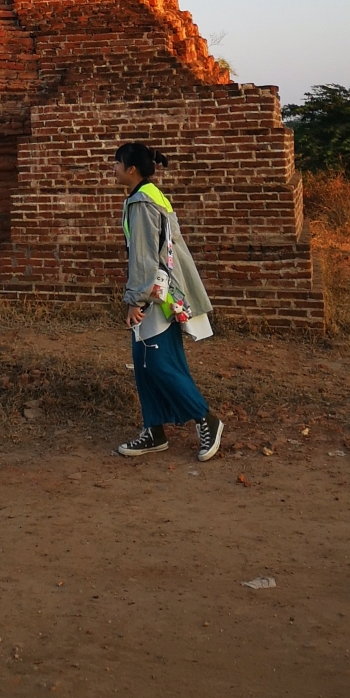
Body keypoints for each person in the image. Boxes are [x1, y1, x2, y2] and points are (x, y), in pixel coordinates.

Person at [114, 140, 224, 461]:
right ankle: (154, 430)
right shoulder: (148, 195)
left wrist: (137, 300)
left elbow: (146, 257)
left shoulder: (142, 203)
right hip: (162, 291)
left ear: (131, 169)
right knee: (146, 364)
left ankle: (207, 419)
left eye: (117, 162)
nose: (114, 168)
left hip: (157, 294)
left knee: (160, 364)